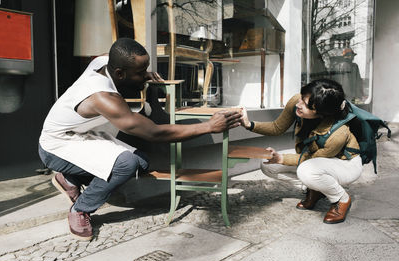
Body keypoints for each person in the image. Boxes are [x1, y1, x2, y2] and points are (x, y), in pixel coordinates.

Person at [38, 38, 241, 240]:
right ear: (119, 73)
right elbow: (155, 133)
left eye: (146, 70)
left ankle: (69, 179)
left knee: (141, 163)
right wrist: (209, 126)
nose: (146, 76)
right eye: (140, 73)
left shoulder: (104, 62)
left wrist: (141, 75)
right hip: (56, 145)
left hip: (80, 135)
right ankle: (81, 208)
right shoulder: (103, 97)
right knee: (126, 164)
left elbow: (115, 61)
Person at [241, 79, 362, 224]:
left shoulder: (338, 133)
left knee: (307, 171)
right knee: (267, 164)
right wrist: (249, 124)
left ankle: (342, 199)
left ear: (320, 112)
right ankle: (316, 190)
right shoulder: (297, 102)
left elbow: (312, 159)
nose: (299, 104)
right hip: (314, 159)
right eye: (301, 98)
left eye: (305, 105)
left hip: (345, 164)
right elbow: (277, 127)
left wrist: (281, 158)